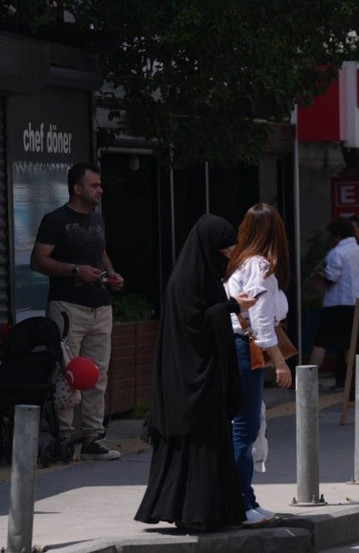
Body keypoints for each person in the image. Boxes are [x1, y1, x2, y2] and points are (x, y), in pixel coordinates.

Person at [135, 214, 256, 530]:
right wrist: (231, 308)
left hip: (203, 382)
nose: (226, 259)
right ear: (208, 248)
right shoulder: (186, 282)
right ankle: (194, 512)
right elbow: (195, 328)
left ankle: (208, 512)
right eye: (224, 252)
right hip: (191, 382)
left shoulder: (199, 278)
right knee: (198, 445)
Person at [30, 162, 124, 461]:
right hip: (68, 306)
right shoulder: (55, 220)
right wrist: (73, 270)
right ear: (77, 188)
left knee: (98, 373)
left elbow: (101, 253)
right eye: (94, 185)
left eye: (100, 185)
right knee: (66, 372)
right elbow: (38, 261)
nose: (100, 190)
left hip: (101, 305)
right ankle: (64, 439)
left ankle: (94, 437)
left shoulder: (97, 220)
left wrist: (111, 274)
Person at [224, 203, 292, 527]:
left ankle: (246, 499)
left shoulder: (240, 262)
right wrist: (280, 362)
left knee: (245, 427)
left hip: (238, 346)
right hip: (246, 347)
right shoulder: (261, 266)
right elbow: (262, 321)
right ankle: (241, 503)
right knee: (245, 428)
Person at [308, 217, 359, 391]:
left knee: (321, 341)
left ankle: (307, 381)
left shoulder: (337, 253)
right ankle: (351, 381)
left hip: (336, 304)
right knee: (349, 344)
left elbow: (332, 277)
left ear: (338, 235)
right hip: (356, 302)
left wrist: (319, 275)